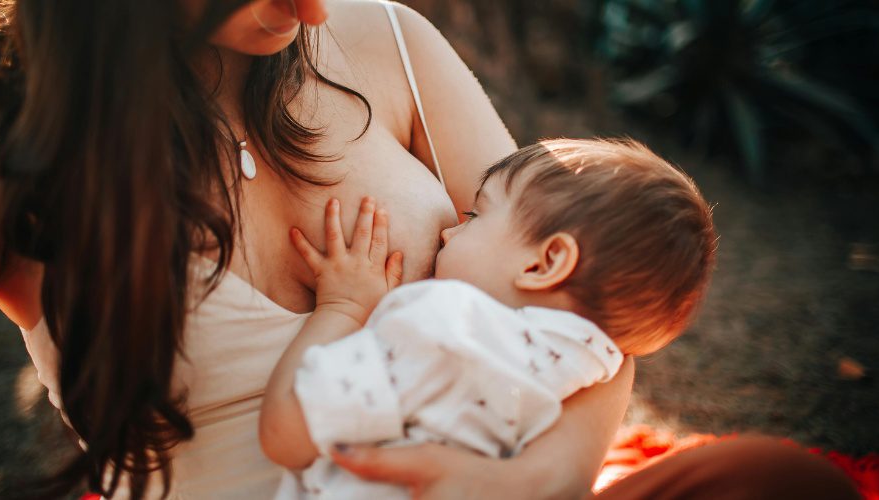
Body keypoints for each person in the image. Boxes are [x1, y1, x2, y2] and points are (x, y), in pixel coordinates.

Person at [0, 0, 861, 498]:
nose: (315, 10)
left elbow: (588, 316)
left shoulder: (392, 40)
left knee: (779, 482)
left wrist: (533, 482)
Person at [261, 138, 717, 499]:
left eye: (476, 214)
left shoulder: (444, 327)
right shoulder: (590, 366)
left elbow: (286, 433)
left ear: (545, 262)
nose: (448, 230)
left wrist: (343, 307)